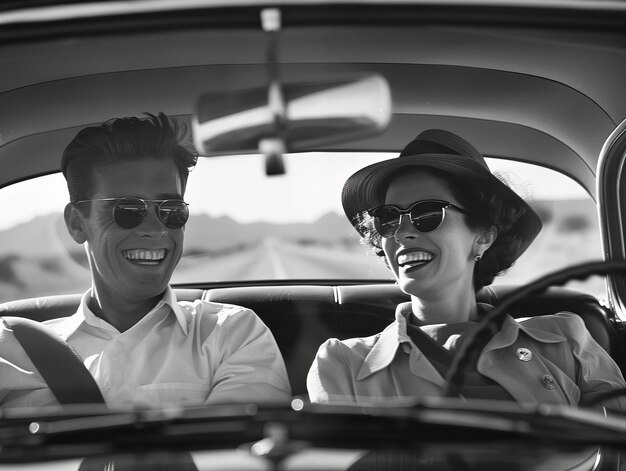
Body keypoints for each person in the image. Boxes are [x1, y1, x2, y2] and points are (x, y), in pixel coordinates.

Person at [307, 129, 626, 409]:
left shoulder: (565, 339)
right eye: (389, 218)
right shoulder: (342, 364)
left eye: (427, 213)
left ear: (484, 235)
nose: (403, 232)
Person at [0, 113, 291, 409]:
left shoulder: (232, 334)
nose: (156, 229)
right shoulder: (11, 350)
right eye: (127, 209)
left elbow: (236, 448)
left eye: (171, 210)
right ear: (77, 223)